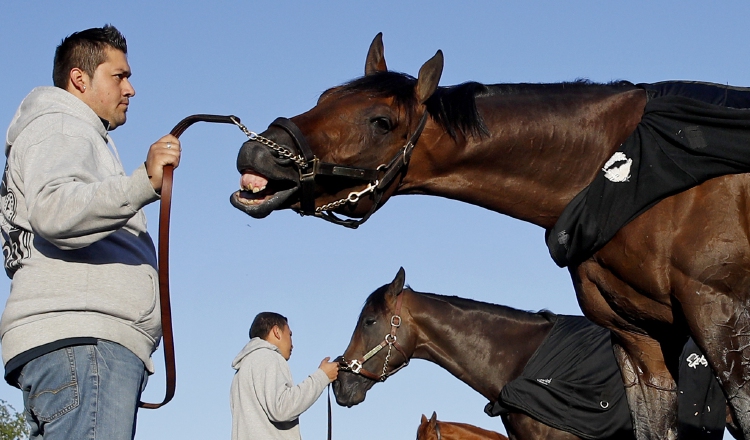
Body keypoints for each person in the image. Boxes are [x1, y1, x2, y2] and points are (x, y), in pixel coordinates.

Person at [0, 24, 181, 439]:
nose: (131, 88)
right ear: (79, 79)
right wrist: (143, 184)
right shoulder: (62, 127)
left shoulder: (63, 133)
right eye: (119, 76)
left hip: (74, 349)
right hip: (85, 347)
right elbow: (54, 212)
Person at [230, 312, 339, 440]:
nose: (292, 344)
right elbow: (281, 408)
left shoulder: (241, 371)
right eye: (290, 334)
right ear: (277, 332)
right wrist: (322, 376)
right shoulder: (268, 357)